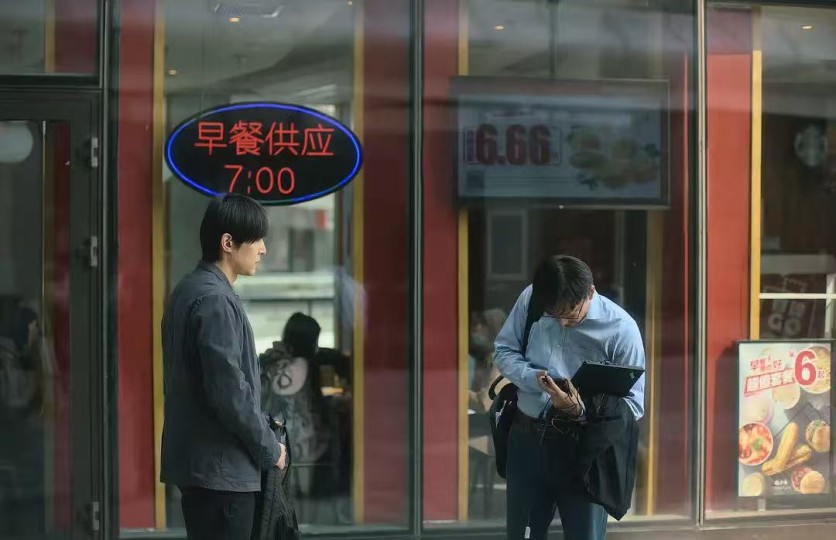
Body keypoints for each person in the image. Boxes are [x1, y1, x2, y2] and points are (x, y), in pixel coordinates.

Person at [160, 193, 286, 540]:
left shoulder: (188, 290)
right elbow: (230, 392)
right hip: (223, 474)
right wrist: (270, 448)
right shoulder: (214, 299)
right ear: (228, 243)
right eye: (256, 239)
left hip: (205, 470)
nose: (263, 249)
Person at [493, 255, 645, 540]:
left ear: (591, 292)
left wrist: (580, 411)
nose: (563, 323)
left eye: (571, 314)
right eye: (554, 315)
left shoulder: (621, 329)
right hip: (526, 438)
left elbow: (633, 406)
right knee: (521, 534)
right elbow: (503, 351)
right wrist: (533, 378)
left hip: (582, 450)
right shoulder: (531, 299)